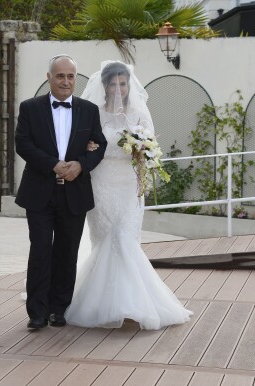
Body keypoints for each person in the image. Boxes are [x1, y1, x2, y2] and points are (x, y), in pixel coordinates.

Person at [64, 60, 193, 329]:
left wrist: (142, 150)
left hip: (128, 185)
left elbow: (151, 148)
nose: (119, 89)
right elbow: (82, 143)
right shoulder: (93, 112)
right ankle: (99, 303)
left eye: (123, 83)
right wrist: (88, 146)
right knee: (105, 238)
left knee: (126, 238)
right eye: (113, 84)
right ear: (105, 85)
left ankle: (135, 304)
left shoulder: (138, 113)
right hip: (100, 181)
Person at [15, 54, 108, 329]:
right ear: (49, 78)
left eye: (70, 76)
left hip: (74, 193)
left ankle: (59, 309)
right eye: (60, 76)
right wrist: (55, 165)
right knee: (41, 250)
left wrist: (81, 165)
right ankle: (37, 312)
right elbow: (23, 144)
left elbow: (100, 145)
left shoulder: (89, 110)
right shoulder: (30, 108)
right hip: (39, 192)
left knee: (67, 252)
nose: (65, 81)